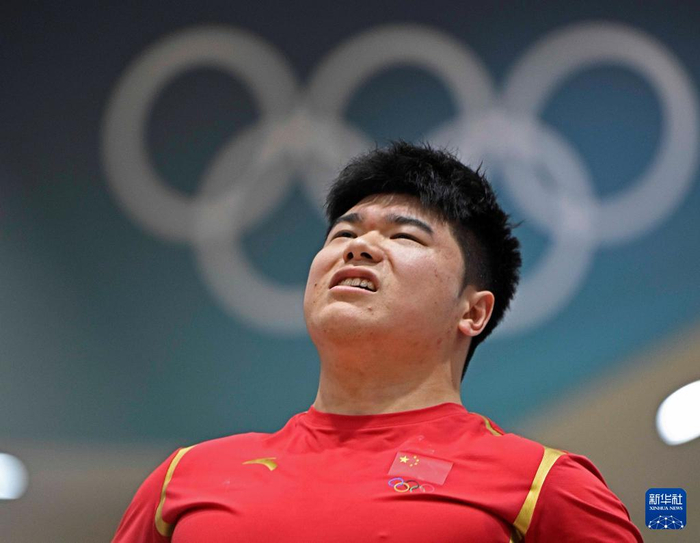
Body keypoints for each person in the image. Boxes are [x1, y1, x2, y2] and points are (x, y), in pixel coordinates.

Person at [113, 141, 643, 542]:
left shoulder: (543, 487)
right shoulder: (182, 481)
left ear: (473, 311)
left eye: (404, 235)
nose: (359, 247)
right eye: (343, 234)